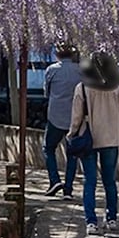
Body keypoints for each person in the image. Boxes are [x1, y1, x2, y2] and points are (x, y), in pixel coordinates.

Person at [69, 51, 119, 235]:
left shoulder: (82, 88)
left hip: (88, 139)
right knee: (109, 181)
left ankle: (91, 222)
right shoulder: (115, 88)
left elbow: (76, 117)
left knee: (90, 181)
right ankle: (111, 219)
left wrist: (71, 134)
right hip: (111, 139)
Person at [42, 44, 82, 198]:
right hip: (75, 117)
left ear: (57, 55)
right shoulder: (80, 70)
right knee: (72, 153)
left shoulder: (52, 70)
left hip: (55, 116)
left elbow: (46, 93)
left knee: (48, 148)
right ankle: (68, 190)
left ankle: (54, 180)